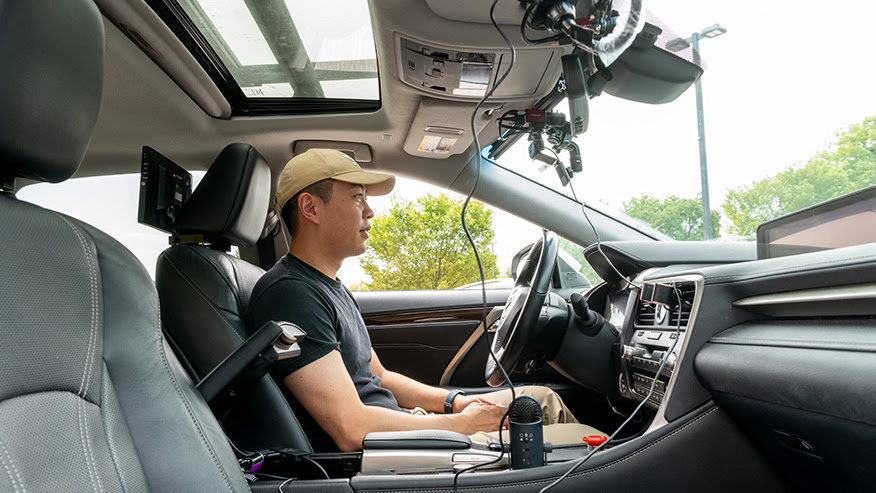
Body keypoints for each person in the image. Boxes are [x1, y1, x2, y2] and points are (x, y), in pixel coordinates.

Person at [247, 149, 602, 452]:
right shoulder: (290, 294)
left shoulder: (329, 287)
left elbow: (380, 377)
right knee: (586, 439)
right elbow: (350, 429)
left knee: (542, 399)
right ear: (310, 207)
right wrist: (463, 424)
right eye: (357, 197)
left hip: (401, 428)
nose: (369, 211)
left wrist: (453, 403)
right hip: (385, 454)